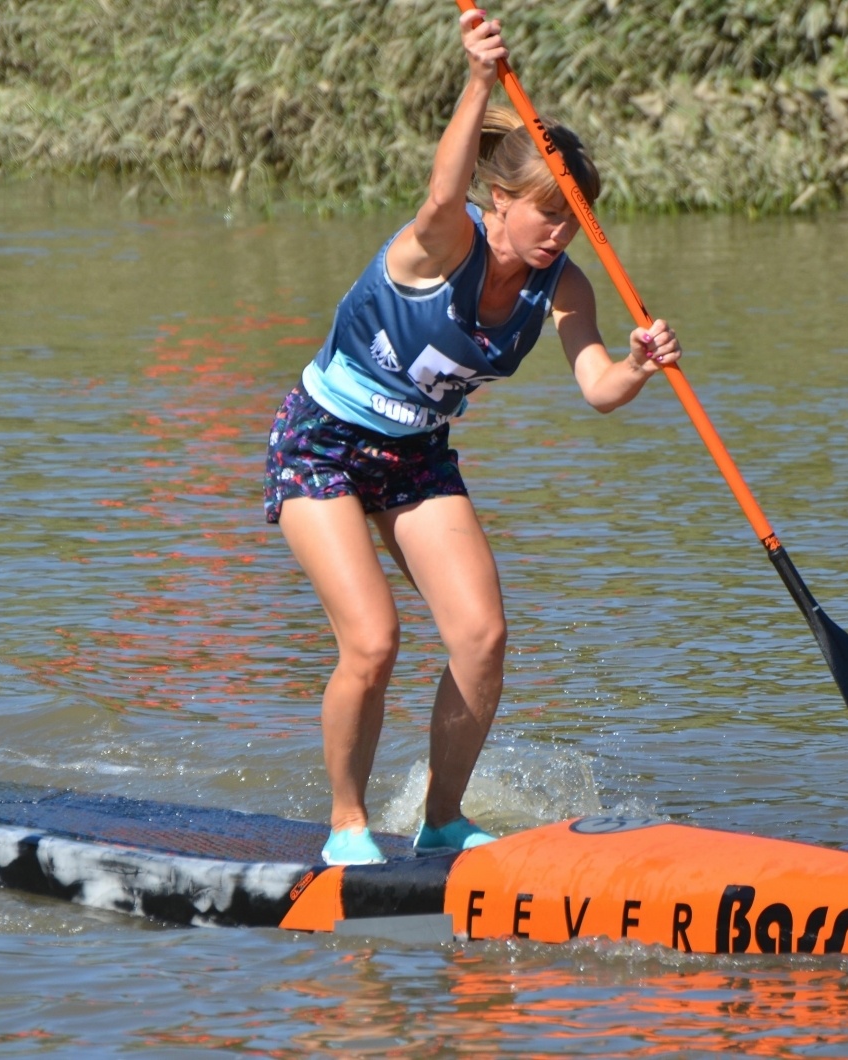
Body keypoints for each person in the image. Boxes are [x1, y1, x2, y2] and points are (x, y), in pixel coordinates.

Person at [263, 8, 682, 866]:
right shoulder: (441, 241)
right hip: (323, 445)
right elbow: (440, 191)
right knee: (373, 642)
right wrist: (480, 80)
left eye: (576, 220)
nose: (560, 234)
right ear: (502, 202)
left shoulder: (562, 286)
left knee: (483, 639)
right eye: (547, 215)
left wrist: (639, 365)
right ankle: (346, 825)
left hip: (417, 456)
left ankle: (442, 819)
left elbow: (598, 386)